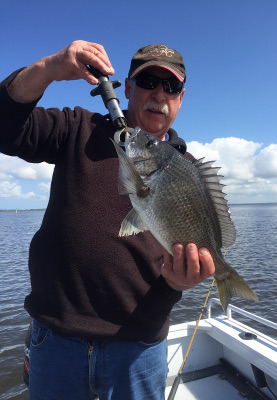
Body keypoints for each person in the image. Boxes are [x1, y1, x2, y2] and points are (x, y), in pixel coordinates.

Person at [0, 41, 215, 400]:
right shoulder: (78, 128)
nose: (159, 93)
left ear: (181, 97)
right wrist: (49, 68)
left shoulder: (188, 171)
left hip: (140, 347)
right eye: (148, 81)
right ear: (128, 88)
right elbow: (5, 126)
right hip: (56, 341)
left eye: (171, 86)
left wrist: (179, 281)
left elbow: (181, 259)